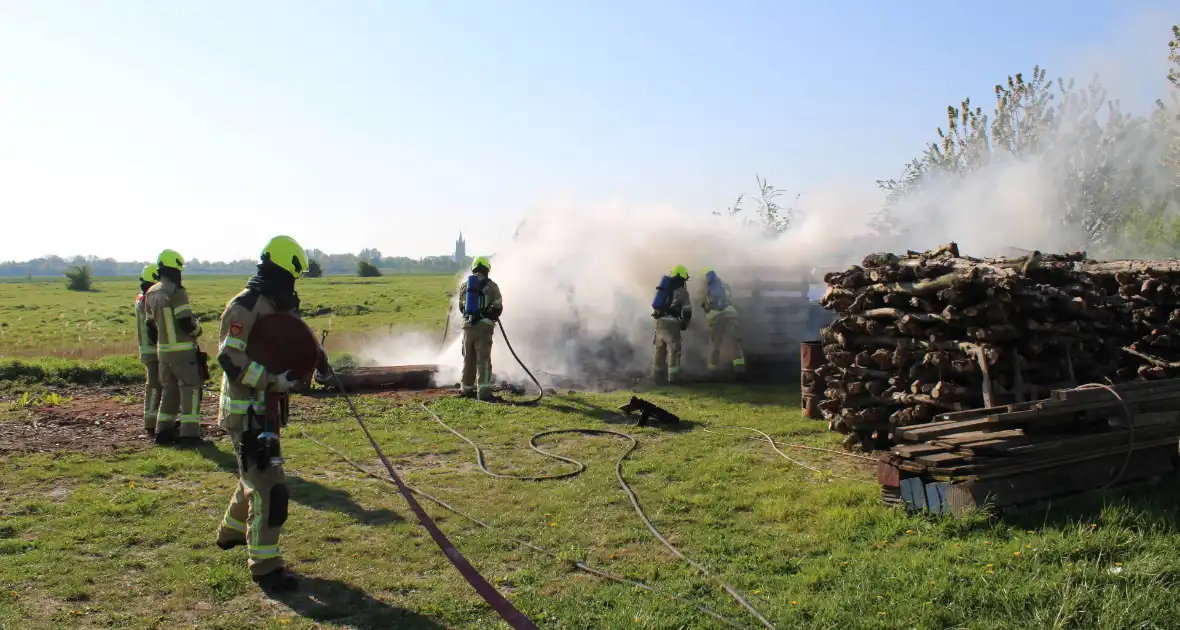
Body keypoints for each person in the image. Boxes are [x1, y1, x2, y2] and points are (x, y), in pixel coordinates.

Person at [214, 235, 324, 592]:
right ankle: (265, 567)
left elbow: (289, 339)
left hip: (267, 411)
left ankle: (231, 531)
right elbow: (230, 359)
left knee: (255, 475)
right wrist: (274, 380)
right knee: (270, 490)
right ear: (280, 269)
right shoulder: (244, 307)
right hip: (247, 413)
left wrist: (316, 357)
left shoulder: (276, 304)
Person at [144, 249, 205, 445]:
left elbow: (150, 327)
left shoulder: (151, 292)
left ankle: (162, 433)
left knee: (169, 392)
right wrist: (198, 331)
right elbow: (186, 321)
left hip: (163, 354)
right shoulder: (177, 291)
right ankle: (190, 435)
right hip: (183, 353)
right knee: (191, 390)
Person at [457, 256, 502, 400]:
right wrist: (490, 315)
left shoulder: (465, 286)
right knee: (483, 359)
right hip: (484, 327)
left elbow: (461, 307)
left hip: (468, 327)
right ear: (487, 270)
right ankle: (483, 392)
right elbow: (498, 307)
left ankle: (466, 389)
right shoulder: (493, 286)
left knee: (468, 358)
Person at [700, 267, 746, 379]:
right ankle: (740, 370)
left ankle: (712, 371)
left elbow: (703, 304)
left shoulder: (705, 290)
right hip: (731, 315)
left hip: (716, 318)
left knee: (715, 344)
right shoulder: (725, 285)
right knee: (735, 342)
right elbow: (731, 299)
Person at [651, 265, 692, 384]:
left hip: (659, 321)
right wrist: (684, 323)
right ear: (683, 279)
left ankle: (656, 376)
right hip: (672, 323)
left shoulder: (663, 289)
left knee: (659, 348)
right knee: (674, 349)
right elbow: (687, 310)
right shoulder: (683, 292)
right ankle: (673, 378)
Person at [135, 264, 161, 436]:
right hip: (153, 349)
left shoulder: (141, 297)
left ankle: (154, 420)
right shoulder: (148, 299)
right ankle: (151, 423)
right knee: (154, 386)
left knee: (155, 385)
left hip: (147, 348)